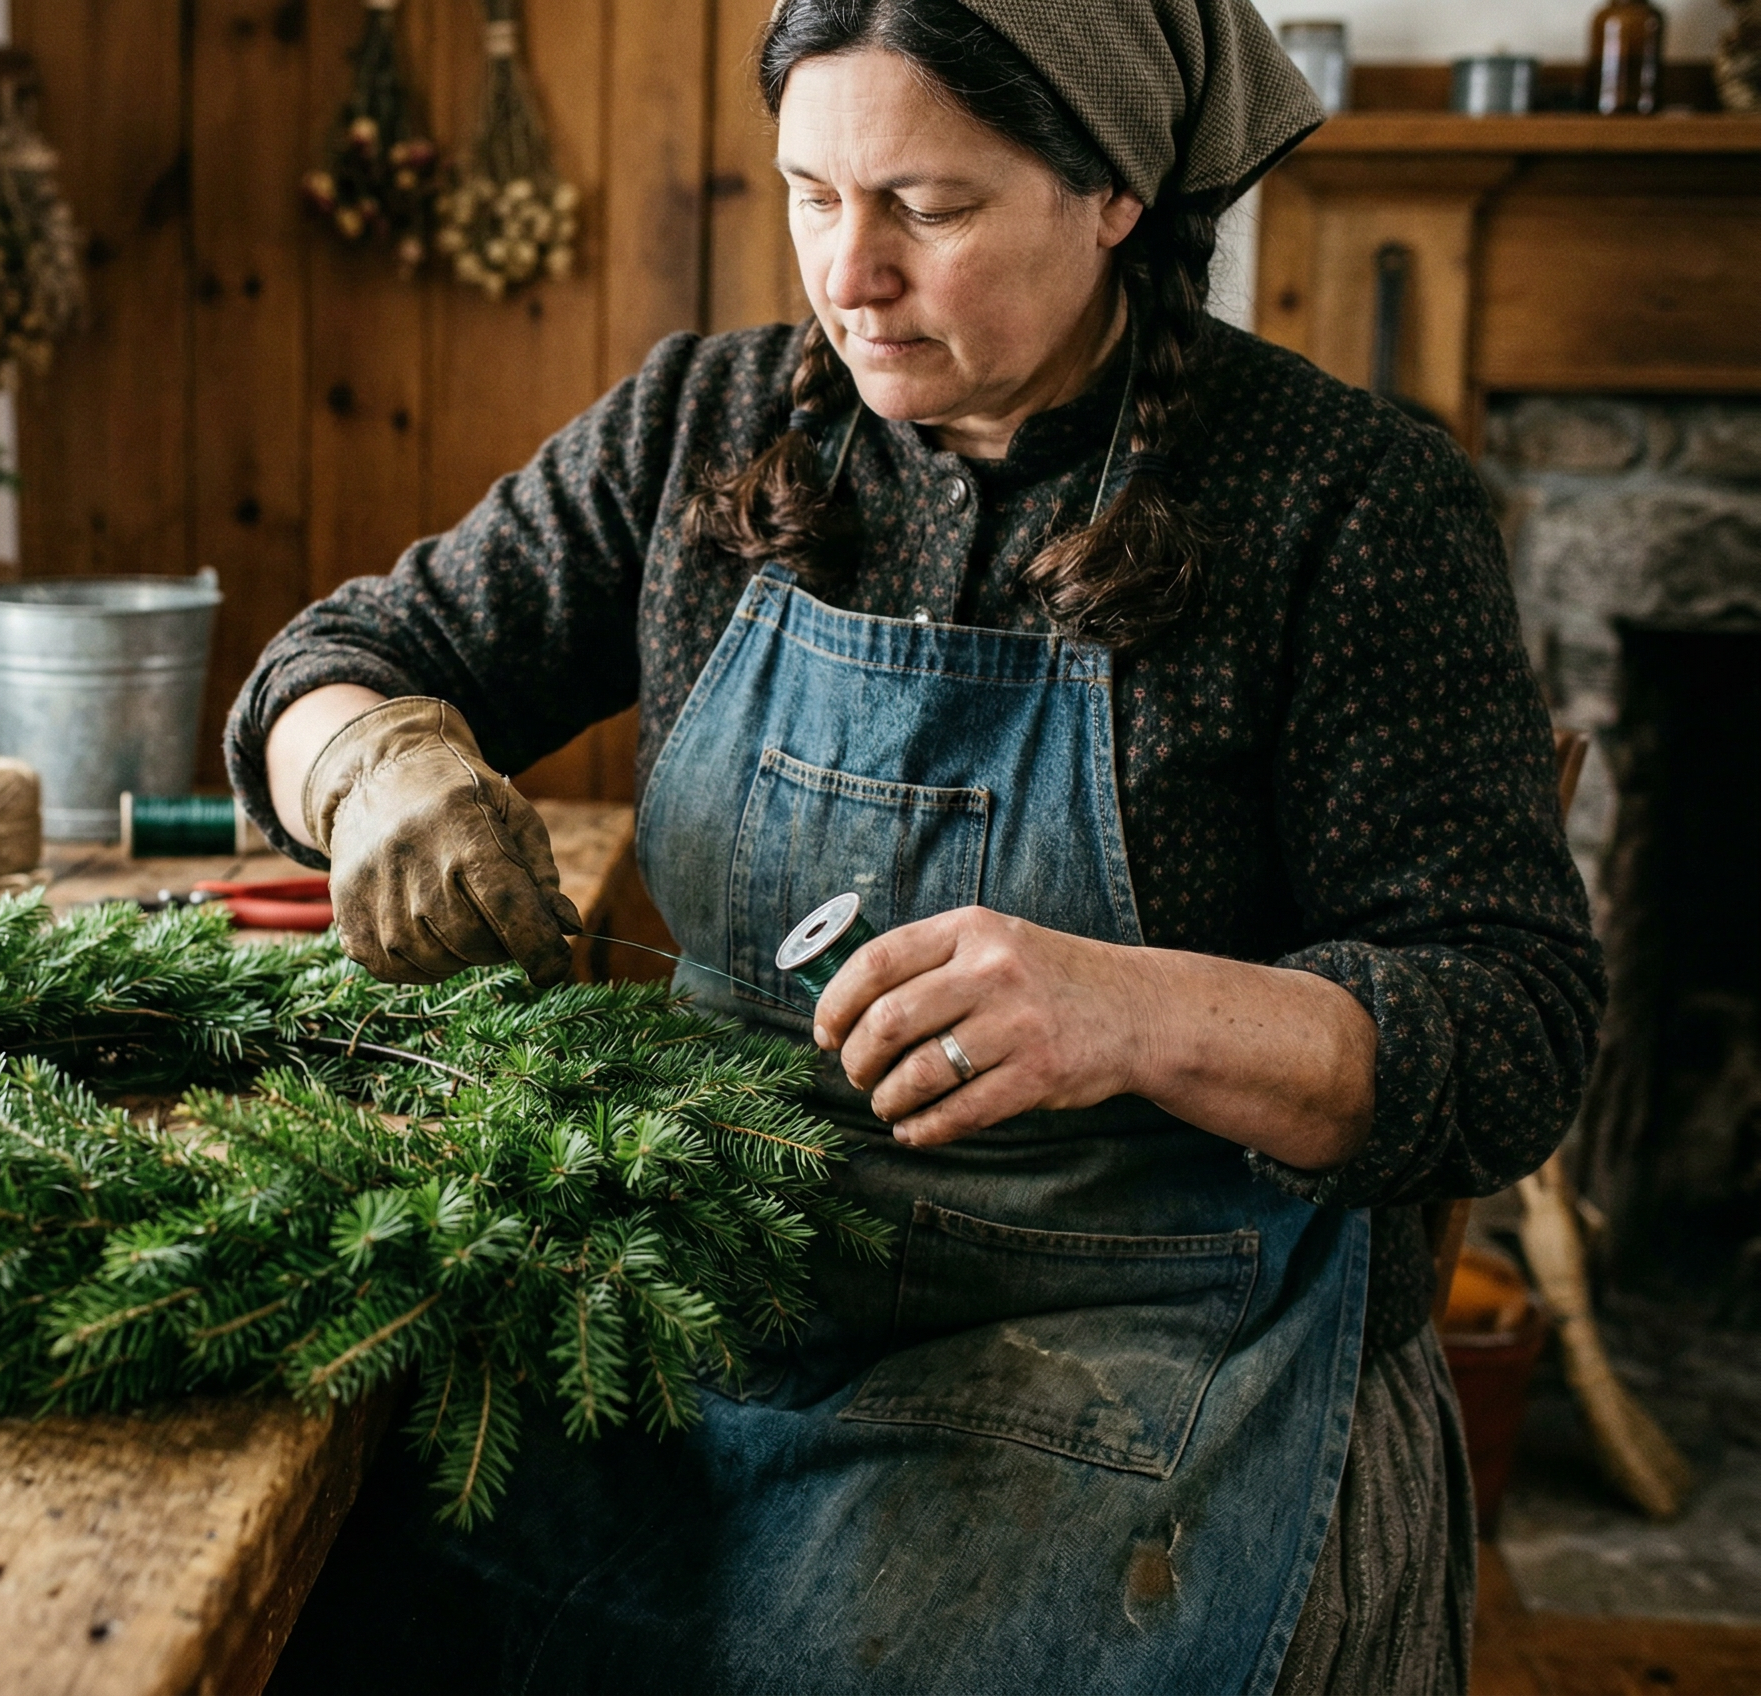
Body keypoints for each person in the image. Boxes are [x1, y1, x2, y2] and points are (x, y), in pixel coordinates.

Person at [227, 1, 1603, 1690]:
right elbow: (328, 664)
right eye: (812, 193)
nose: (849, 274)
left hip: (1135, 1348)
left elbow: (1515, 1022)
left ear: (1116, 194)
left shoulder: (1343, 503)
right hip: (702, 1283)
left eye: (928, 210)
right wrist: (377, 765)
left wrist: (1133, 1011)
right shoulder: (704, 430)